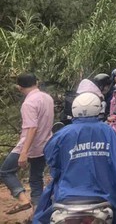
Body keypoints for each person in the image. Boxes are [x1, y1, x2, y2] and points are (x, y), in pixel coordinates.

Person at [33, 93, 116, 223]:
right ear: (98, 108)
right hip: (105, 194)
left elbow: (51, 158)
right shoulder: (108, 131)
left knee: (41, 214)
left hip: (66, 195)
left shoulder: (63, 134)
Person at [0, 73, 54, 216]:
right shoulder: (47, 98)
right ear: (36, 82)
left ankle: (23, 200)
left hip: (29, 145)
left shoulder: (29, 103)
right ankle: (37, 213)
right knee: (36, 178)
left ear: (19, 87)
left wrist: (24, 152)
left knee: (5, 171)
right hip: (45, 144)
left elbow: (32, 128)